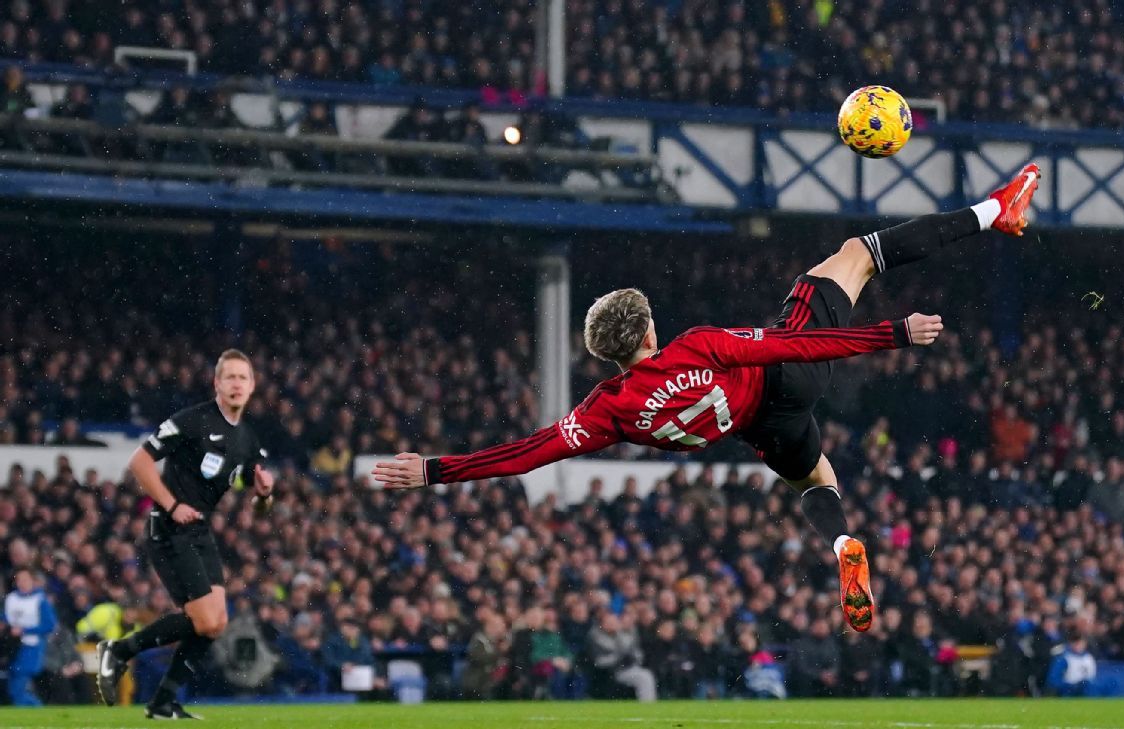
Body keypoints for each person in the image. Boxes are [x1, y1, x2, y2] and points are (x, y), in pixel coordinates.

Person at [374, 164, 1042, 633]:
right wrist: (890, 334)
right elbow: (789, 348)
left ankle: (841, 543)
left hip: (763, 429)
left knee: (816, 475)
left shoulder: (609, 409)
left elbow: (528, 454)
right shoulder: (696, 346)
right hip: (788, 377)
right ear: (648, 329)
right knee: (856, 253)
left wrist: (435, 468)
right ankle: (996, 210)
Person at [95, 349, 275, 719]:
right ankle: (119, 651)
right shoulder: (192, 420)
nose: (237, 384)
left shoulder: (246, 440)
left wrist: (264, 495)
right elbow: (139, 462)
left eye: (244, 378)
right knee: (206, 621)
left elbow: (258, 510)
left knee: (216, 624)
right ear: (217, 383)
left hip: (199, 530)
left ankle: (163, 702)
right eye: (231, 377)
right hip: (169, 526)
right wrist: (172, 505)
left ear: (253, 386)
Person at [4, 568, 57, 706]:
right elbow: (5, 618)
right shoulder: (11, 598)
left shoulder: (40, 600)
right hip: (13, 645)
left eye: (25, 579)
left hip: (32, 646)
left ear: (33, 581)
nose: (22, 583)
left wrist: (25, 630)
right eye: (19, 580)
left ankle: (36, 708)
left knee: (18, 685)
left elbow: (49, 625)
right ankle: (33, 710)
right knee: (14, 685)